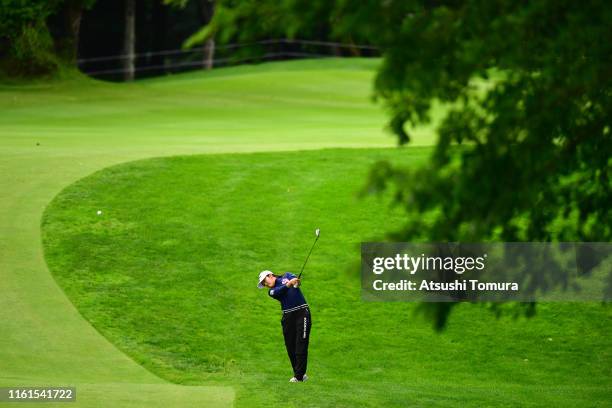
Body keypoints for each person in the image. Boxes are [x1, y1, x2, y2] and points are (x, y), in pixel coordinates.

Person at [258, 270, 312, 382]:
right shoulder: (272, 291)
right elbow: (281, 290)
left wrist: (296, 283)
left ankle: (299, 376)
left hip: (302, 312)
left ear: (270, 275)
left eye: (265, 281)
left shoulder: (287, 275)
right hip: (288, 317)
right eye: (263, 284)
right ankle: (300, 373)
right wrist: (289, 284)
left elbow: (296, 282)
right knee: (290, 346)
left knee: (301, 344)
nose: (265, 284)